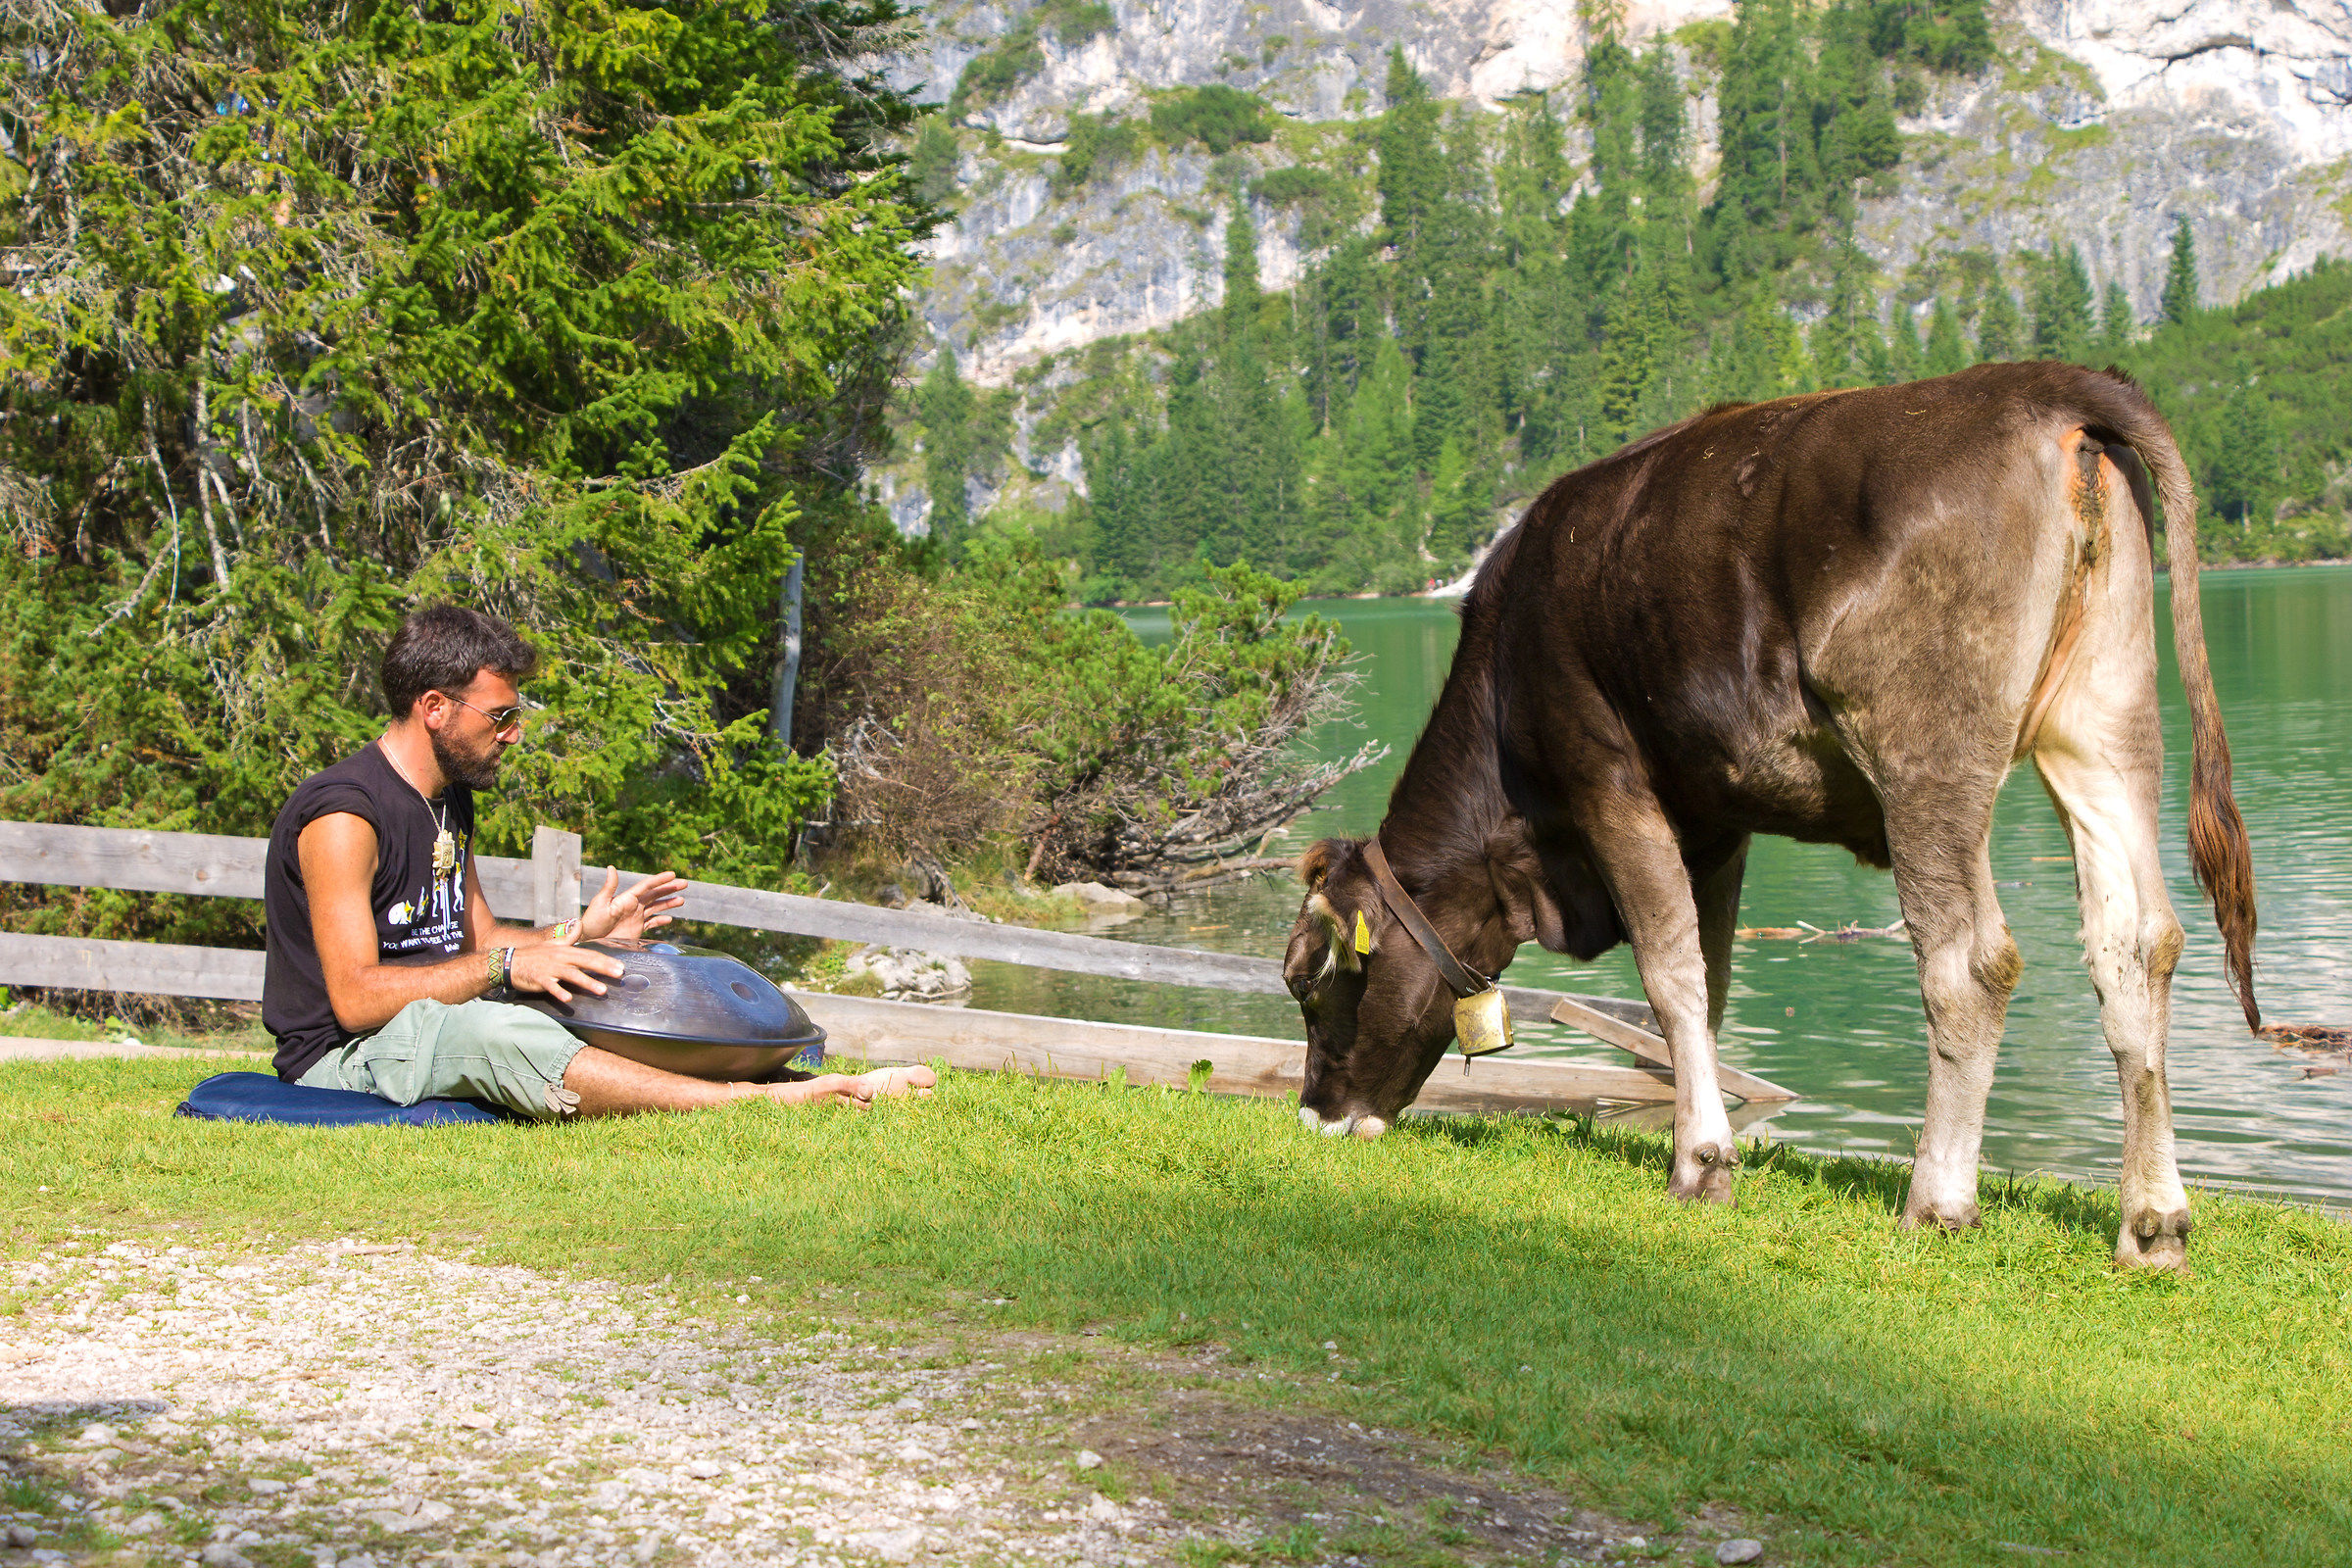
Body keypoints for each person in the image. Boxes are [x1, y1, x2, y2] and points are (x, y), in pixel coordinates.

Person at [262, 604, 936, 1119]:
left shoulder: (447, 800)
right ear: (434, 708)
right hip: (347, 1058)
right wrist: (505, 969)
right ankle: (757, 1103)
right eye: (500, 717)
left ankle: (802, 1080)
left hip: (431, 1021)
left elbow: (484, 942)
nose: (514, 733)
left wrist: (582, 937)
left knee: (609, 985)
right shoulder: (344, 816)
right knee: (494, 1025)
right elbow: (352, 1000)